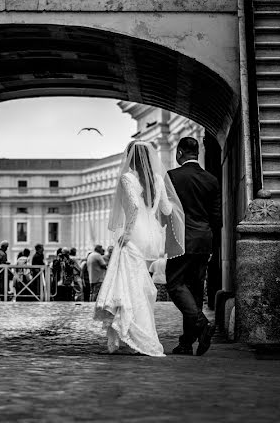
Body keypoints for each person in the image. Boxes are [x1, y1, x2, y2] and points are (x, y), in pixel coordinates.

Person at [94, 140, 186, 357]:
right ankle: (138, 330)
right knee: (141, 283)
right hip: (153, 235)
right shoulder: (158, 179)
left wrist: (126, 232)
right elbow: (166, 208)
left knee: (130, 283)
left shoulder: (128, 178)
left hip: (135, 233)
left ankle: (137, 332)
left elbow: (134, 206)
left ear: (131, 158)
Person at [166, 137, 221, 356]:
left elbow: (167, 210)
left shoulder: (172, 177)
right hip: (204, 240)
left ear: (179, 153)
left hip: (181, 239)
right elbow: (217, 218)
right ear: (197, 153)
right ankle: (186, 343)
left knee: (175, 284)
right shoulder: (211, 179)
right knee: (196, 290)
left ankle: (202, 325)